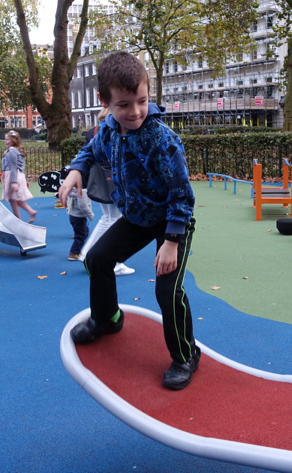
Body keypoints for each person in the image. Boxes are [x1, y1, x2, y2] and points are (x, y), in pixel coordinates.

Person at [58, 51, 199, 391]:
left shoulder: (161, 140)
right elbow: (90, 151)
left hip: (171, 223)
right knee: (97, 258)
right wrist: (76, 170)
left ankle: (186, 355)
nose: (135, 111)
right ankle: (107, 319)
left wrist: (171, 242)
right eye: (124, 105)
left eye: (142, 101)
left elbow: (183, 195)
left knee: (167, 290)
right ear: (104, 102)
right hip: (137, 218)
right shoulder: (107, 130)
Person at [78, 109, 134, 276]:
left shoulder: (93, 131)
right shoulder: (113, 131)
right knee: (115, 220)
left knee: (107, 218)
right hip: (113, 179)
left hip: (100, 180)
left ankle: (86, 253)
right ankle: (115, 262)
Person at [2, 130, 37, 223]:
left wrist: (14, 182)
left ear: (13, 140)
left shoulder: (12, 152)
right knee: (14, 198)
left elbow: (13, 167)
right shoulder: (13, 151)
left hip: (13, 176)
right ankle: (29, 212)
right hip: (15, 175)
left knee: (12, 199)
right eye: (5, 139)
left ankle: (18, 219)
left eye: (7, 140)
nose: (5, 141)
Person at [67, 181, 94, 261]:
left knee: (84, 231)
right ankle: (73, 253)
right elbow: (82, 205)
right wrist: (90, 215)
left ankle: (77, 246)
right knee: (81, 235)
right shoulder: (83, 191)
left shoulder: (73, 190)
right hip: (79, 216)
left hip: (73, 215)